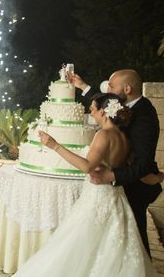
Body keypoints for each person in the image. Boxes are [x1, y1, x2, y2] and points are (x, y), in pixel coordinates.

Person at [0, 93, 164, 277]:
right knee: (111, 249)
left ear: (104, 112)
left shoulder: (103, 135)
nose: (90, 112)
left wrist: (54, 145)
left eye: (93, 109)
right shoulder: (123, 137)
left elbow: (87, 167)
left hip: (98, 198)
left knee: (79, 247)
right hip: (116, 198)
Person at [69, 68, 163, 256]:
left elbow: (143, 163)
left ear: (127, 88)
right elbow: (104, 105)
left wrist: (111, 175)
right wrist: (83, 86)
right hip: (120, 185)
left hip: (136, 185)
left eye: (111, 85)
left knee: (135, 241)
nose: (107, 88)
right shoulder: (125, 107)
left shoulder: (144, 114)